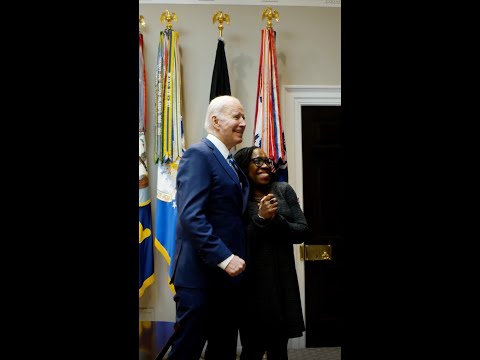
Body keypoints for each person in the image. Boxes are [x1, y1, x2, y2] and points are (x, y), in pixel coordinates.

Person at [167, 95, 250, 360]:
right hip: (200, 277)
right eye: (236, 117)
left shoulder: (230, 161)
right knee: (187, 350)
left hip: (226, 279)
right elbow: (192, 216)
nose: (243, 123)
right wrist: (225, 258)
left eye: (243, 117)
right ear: (215, 120)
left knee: (223, 349)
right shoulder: (199, 155)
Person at [234, 146, 310, 360]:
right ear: (243, 166)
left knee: (279, 348)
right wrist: (259, 219)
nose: (265, 165)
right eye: (257, 161)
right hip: (252, 286)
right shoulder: (237, 197)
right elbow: (238, 243)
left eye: (267, 160)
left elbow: (302, 231)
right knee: (253, 348)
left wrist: (275, 219)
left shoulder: (283, 190)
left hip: (282, 282)